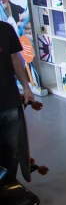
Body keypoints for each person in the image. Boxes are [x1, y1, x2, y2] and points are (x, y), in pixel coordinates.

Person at [0, 20, 35, 184]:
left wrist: (26, 88)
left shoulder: (5, 29)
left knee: (11, 151)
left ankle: (9, 186)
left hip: (9, 101)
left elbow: (15, 59)